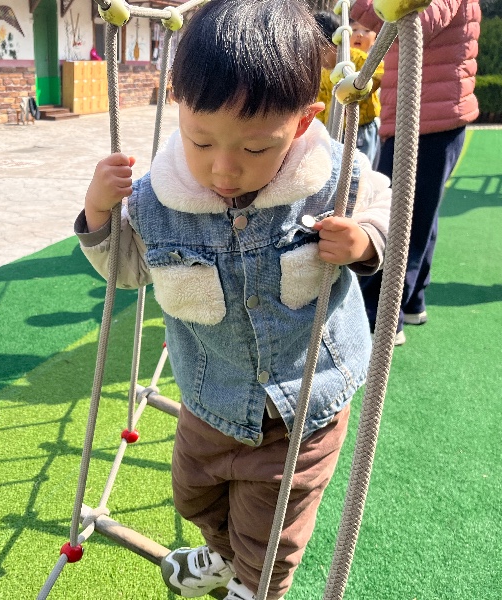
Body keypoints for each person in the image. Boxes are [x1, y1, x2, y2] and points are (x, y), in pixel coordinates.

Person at [73, 1, 392, 598]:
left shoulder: (330, 176)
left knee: (269, 530)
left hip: (303, 402)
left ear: (303, 123)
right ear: (178, 104)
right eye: (201, 141)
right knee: (193, 495)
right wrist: (97, 212)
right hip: (210, 395)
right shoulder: (156, 198)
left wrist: (365, 239)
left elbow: (387, 207)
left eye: (255, 150)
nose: (224, 169)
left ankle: (253, 585)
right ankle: (224, 557)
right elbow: (127, 271)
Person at [349, 0, 481, 345]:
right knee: (419, 212)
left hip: (427, 118)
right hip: (422, 113)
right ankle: (412, 301)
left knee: (399, 217)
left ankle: (382, 314)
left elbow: (415, 22)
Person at [314, 11, 384, 167]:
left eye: (320, 53)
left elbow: (379, 73)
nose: (318, 60)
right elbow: (322, 100)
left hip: (361, 128)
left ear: (334, 44)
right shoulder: (324, 71)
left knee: (360, 169)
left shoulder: (356, 58)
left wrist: (358, 89)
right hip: (335, 128)